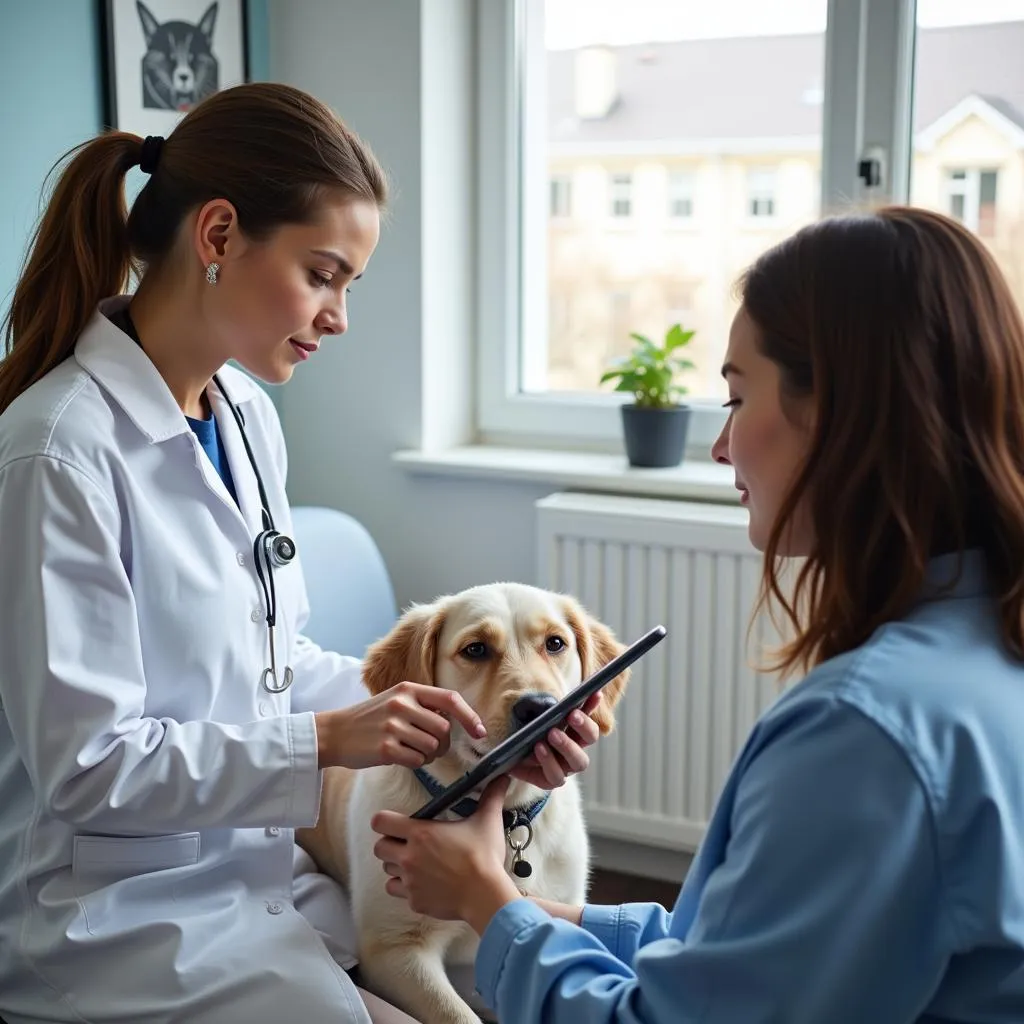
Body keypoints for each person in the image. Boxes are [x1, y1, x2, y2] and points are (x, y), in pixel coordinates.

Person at [0, 82, 598, 1024]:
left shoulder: (245, 421)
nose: (338, 316)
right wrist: (326, 740)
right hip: (114, 916)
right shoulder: (57, 451)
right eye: (323, 274)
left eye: (348, 285)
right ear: (219, 235)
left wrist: (463, 721)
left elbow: (273, 671)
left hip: (258, 871)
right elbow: (87, 769)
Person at [371, 205, 1024, 1022]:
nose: (721, 447)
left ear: (830, 413)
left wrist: (491, 907)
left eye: (736, 396)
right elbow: (759, 949)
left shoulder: (865, 732)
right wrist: (537, 911)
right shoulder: (989, 648)